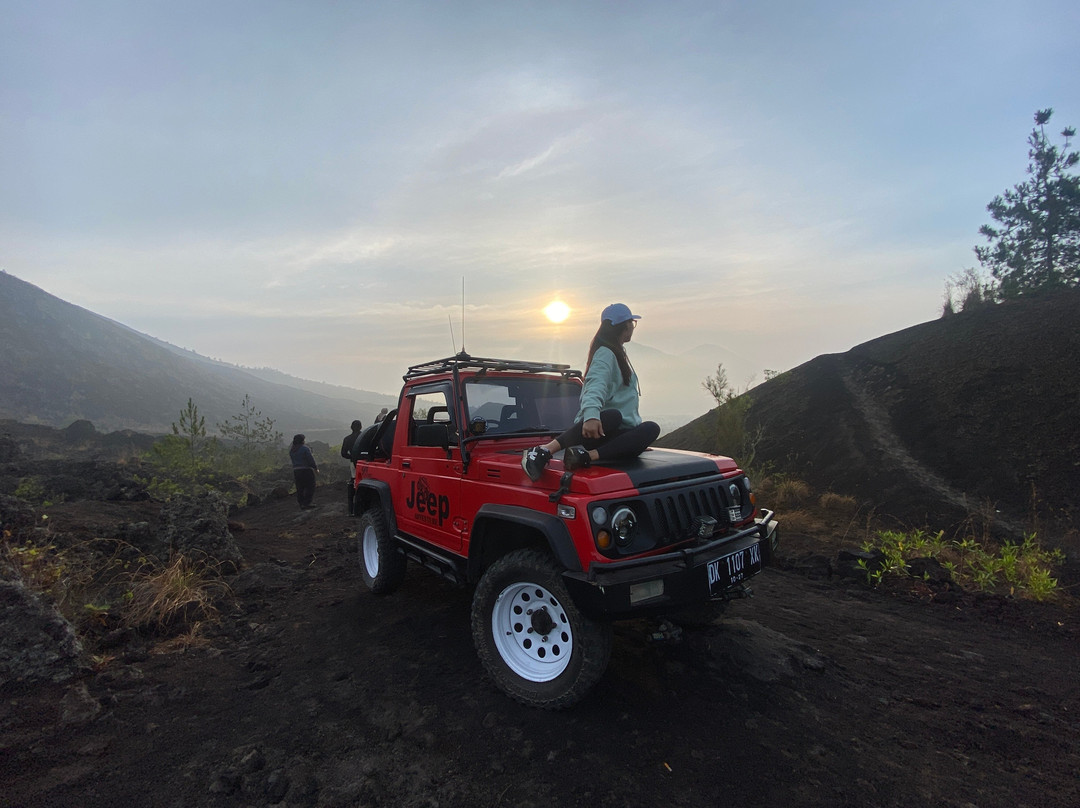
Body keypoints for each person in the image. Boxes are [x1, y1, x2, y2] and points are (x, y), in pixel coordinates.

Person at [523, 303, 661, 481]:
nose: (632, 328)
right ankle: (543, 450)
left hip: (612, 436)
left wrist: (632, 441)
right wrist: (591, 416)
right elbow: (595, 385)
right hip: (595, 430)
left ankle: (585, 456)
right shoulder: (606, 353)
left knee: (650, 428)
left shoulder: (618, 353)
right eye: (632, 323)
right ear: (624, 325)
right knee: (613, 416)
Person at [289, 434, 319, 509]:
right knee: (310, 486)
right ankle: (307, 503)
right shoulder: (305, 449)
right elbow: (310, 460)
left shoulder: (292, 450)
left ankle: (301, 503)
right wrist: (315, 468)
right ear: (302, 440)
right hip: (306, 470)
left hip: (296, 471)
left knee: (300, 487)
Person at [340, 419, 363, 516]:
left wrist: (352, 457)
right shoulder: (365, 436)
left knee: (353, 483)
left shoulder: (347, 439)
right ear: (361, 427)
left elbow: (343, 453)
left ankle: (351, 510)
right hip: (366, 462)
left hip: (353, 463)